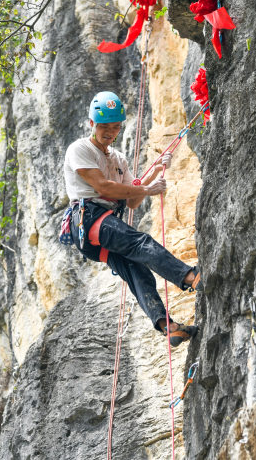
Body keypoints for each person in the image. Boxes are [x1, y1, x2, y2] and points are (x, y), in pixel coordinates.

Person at [63, 91, 203, 346]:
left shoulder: (118, 159)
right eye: (104, 126)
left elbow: (132, 201)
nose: (109, 132)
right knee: (140, 242)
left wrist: (156, 169)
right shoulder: (79, 150)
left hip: (102, 225)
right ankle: (190, 276)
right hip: (88, 218)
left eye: (115, 127)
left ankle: (167, 327)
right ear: (92, 124)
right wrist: (148, 189)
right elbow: (104, 188)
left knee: (137, 271)